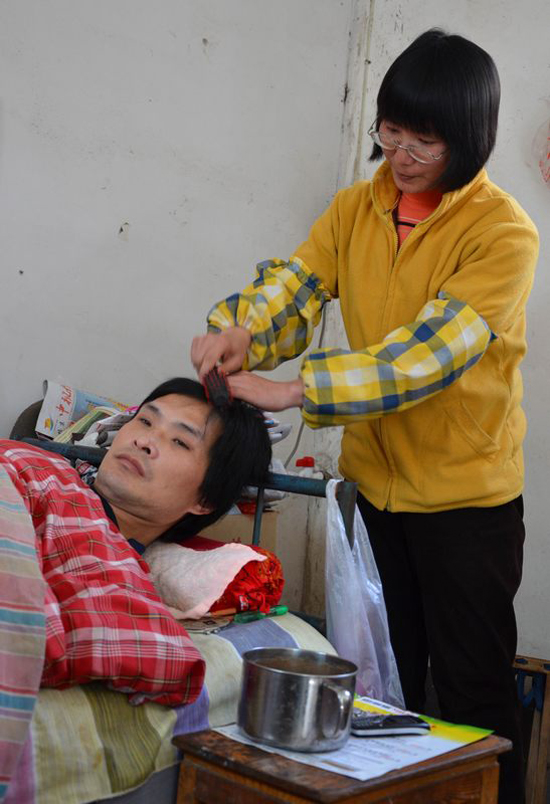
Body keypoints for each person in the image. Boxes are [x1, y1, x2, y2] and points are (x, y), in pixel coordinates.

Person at [191, 29, 539, 803]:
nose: (402, 155)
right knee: (385, 684)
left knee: (473, 693)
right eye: (391, 130)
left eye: (425, 141)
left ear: (469, 139)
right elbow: (296, 285)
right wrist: (242, 330)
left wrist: (294, 390)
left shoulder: (504, 233)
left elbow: (424, 359)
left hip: (467, 504)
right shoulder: (358, 207)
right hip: (372, 492)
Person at [0, 377, 271, 705]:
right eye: (145, 421)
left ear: (205, 500)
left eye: (180, 442)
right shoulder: (43, 468)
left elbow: (162, 658)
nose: (144, 440)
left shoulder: (121, 580)